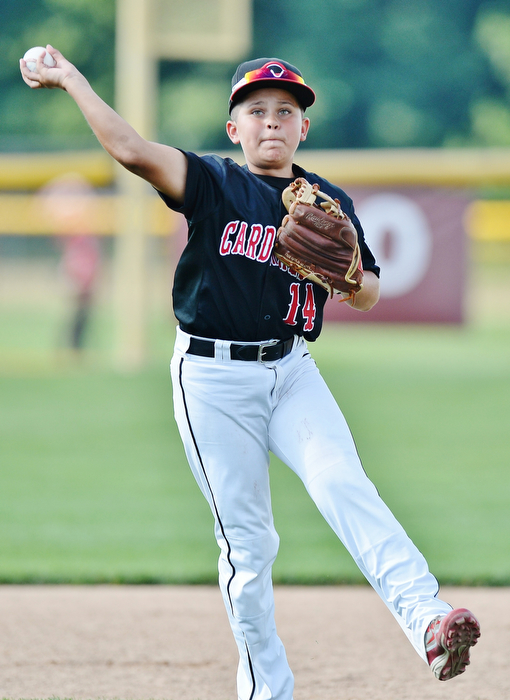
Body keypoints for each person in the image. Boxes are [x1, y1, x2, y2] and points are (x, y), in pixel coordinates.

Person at [21, 48, 480, 699]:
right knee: (249, 547)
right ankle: (267, 692)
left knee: (342, 482)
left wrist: (350, 276)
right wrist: (70, 78)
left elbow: (370, 290)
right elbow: (127, 147)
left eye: (285, 111)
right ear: (234, 127)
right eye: (256, 110)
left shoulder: (327, 201)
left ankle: (429, 621)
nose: (272, 121)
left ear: (303, 129)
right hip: (211, 381)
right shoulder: (212, 182)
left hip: (291, 370)